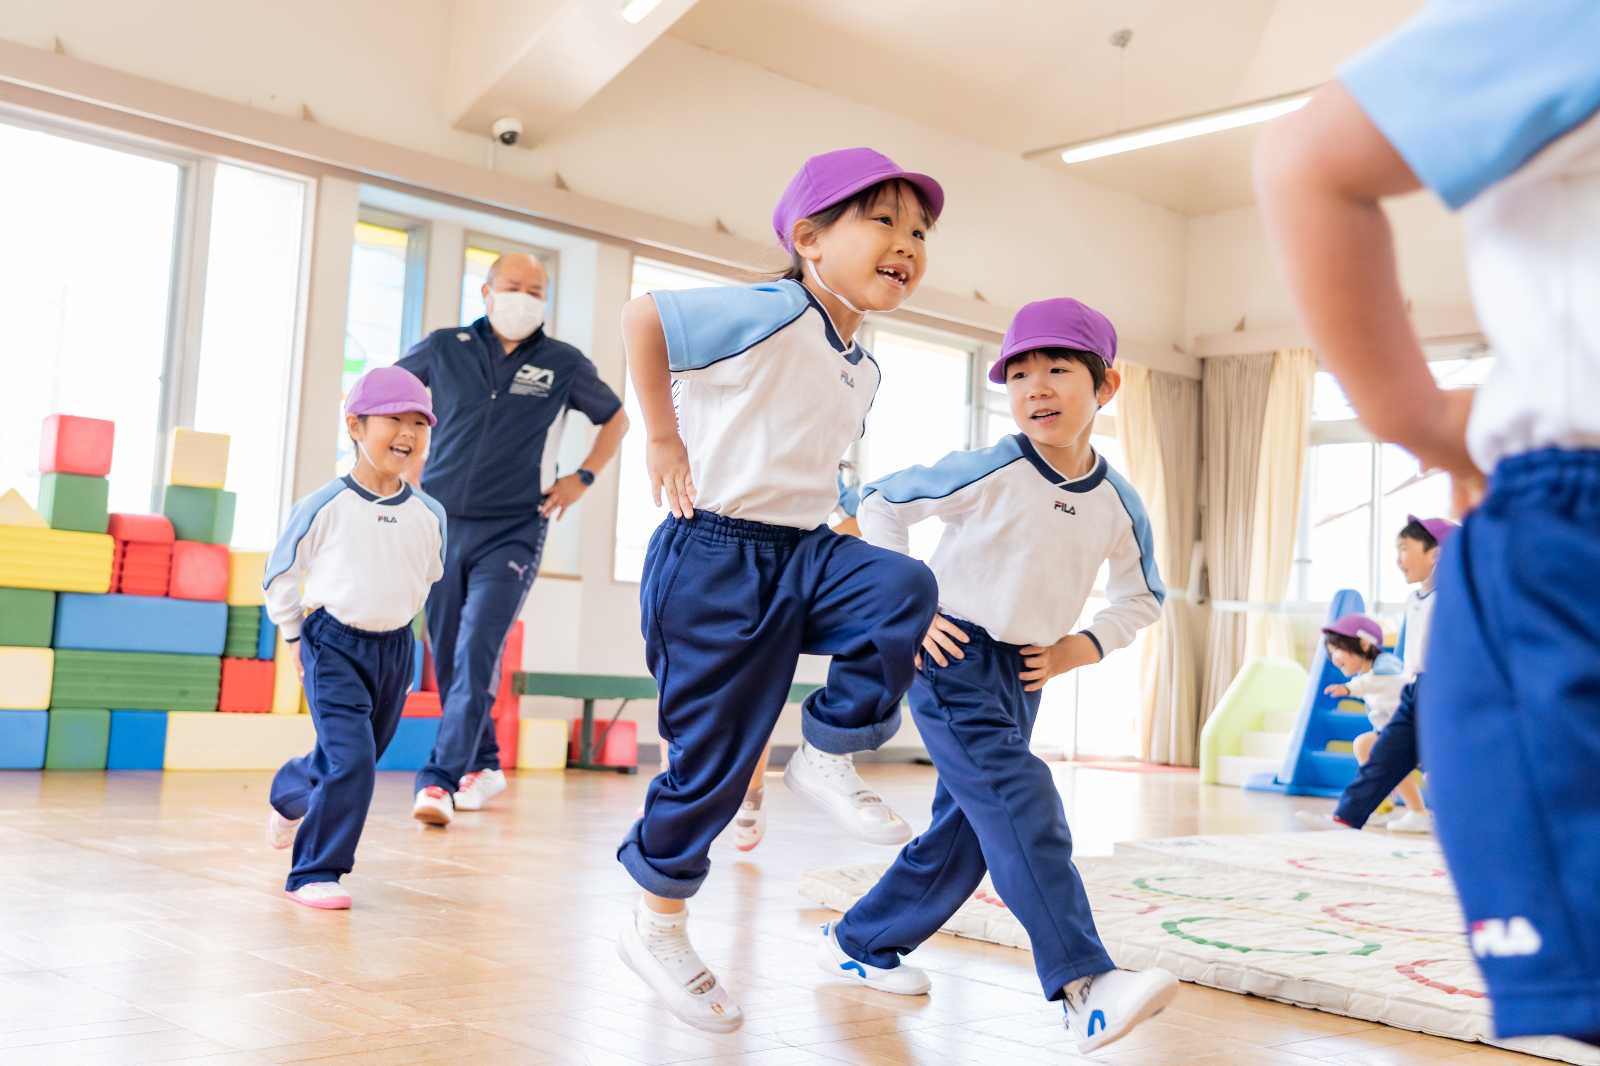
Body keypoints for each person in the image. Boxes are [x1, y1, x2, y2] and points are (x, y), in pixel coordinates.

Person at [1256, 0, 1600, 1043]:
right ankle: (1360, 807)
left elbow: (1306, 160)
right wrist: (1425, 425)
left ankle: (1361, 806)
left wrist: (1416, 420)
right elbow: (1312, 163)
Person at [614, 147, 944, 1032]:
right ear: (808, 237)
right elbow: (646, 315)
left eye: (920, 233)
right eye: (884, 222)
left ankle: (829, 752)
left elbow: (820, 469)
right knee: (712, 776)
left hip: (800, 550)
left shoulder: (862, 366)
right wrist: (660, 440)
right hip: (711, 560)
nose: (908, 245)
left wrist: (851, 558)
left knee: (904, 582)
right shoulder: (770, 308)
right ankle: (658, 923)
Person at [820, 298, 1177, 1055]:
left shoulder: (1119, 502)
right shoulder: (991, 466)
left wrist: (1081, 647)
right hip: (951, 658)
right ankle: (1086, 986)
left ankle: (861, 940)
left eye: (1056, 370)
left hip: (1026, 671)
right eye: (1019, 375)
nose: (1036, 387)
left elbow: (1142, 596)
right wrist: (908, 607)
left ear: (1104, 387)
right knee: (1023, 798)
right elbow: (880, 501)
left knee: (970, 834)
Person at [397, 253, 628, 826]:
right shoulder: (445, 346)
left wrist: (583, 477)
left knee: (479, 645)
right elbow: (391, 394)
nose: (523, 297)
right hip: (442, 523)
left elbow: (616, 419)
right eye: (512, 286)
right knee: (446, 651)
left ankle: (439, 781)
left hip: (516, 528)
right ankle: (488, 764)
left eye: (536, 290)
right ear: (486, 291)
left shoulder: (562, 363)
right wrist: (406, 461)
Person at [263, 367, 446, 909]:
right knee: (353, 763)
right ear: (355, 426)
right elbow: (280, 573)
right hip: (332, 643)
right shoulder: (325, 505)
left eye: (419, 422)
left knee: (350, 757)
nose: (407, 433)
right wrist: (296, 636)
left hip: (394, 651)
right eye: (394, 419)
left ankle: (288, 793)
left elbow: (425, 582)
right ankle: (314, 872)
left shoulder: (429, 515)